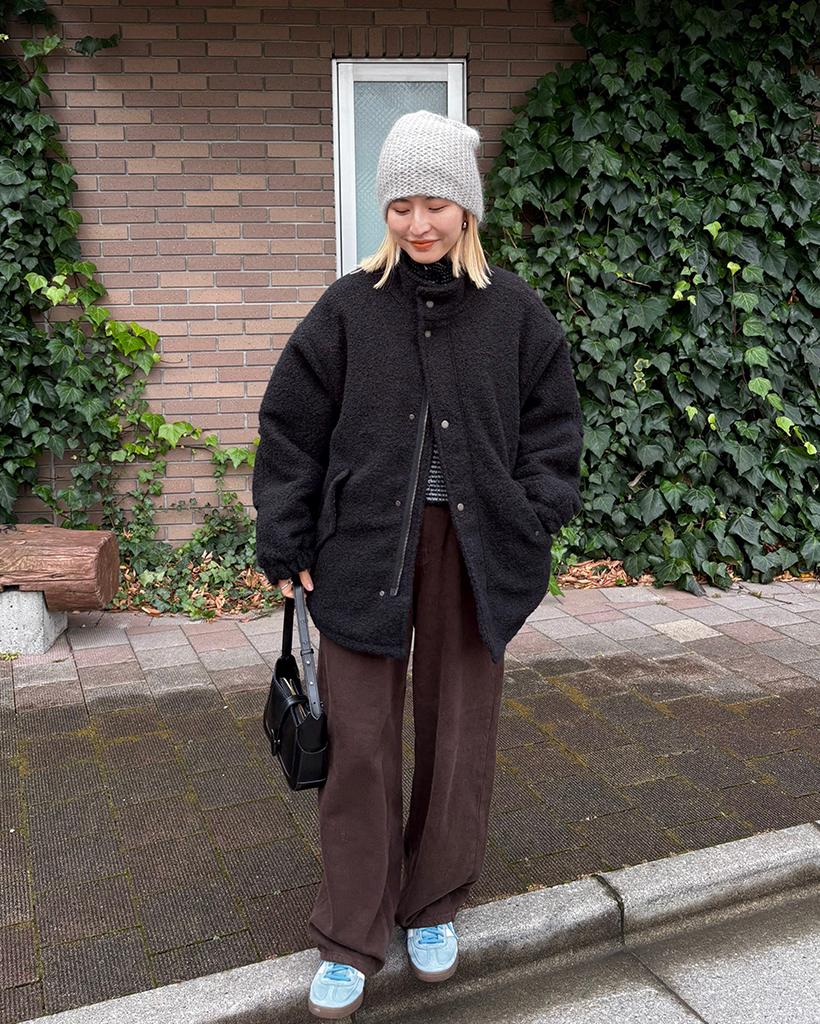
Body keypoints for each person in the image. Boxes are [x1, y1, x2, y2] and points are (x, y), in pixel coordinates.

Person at [253, 110, 583, 1020]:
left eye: (435, 203)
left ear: (466, 207)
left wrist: (535, 512)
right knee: (358, 745)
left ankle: (432, 900)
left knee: (459, 733)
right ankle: (352, 930)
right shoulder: (348, 306)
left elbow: (555, 425)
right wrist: (286, 534)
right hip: (361, 549)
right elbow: (290, 426)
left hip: (475, 551)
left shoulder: (514, 311)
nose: (418, 223)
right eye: (400, 204)